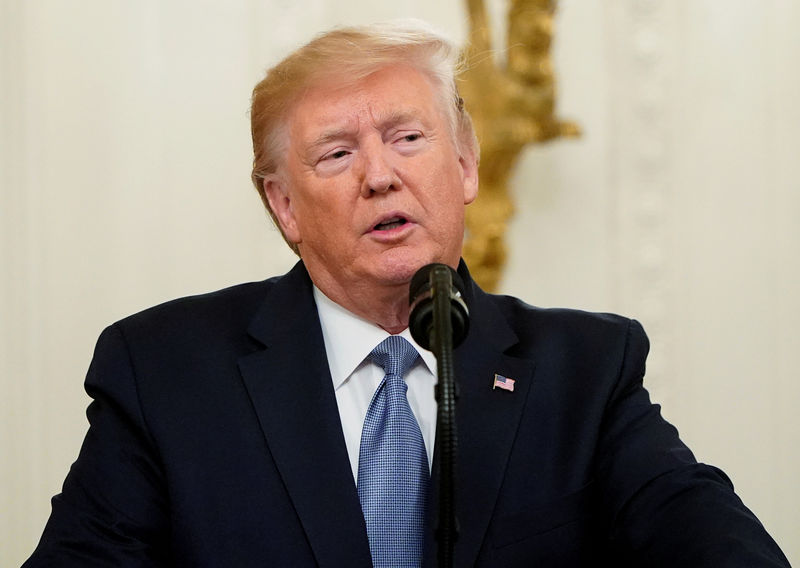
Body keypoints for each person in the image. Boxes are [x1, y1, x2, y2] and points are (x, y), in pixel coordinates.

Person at [25, 21, 789, 567]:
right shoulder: (165, 372)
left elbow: (702, 534)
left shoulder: (585, 371)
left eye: (408, 138)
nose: (380, 175)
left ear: (464, 167)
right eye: (336, 153)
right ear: (284, 207)